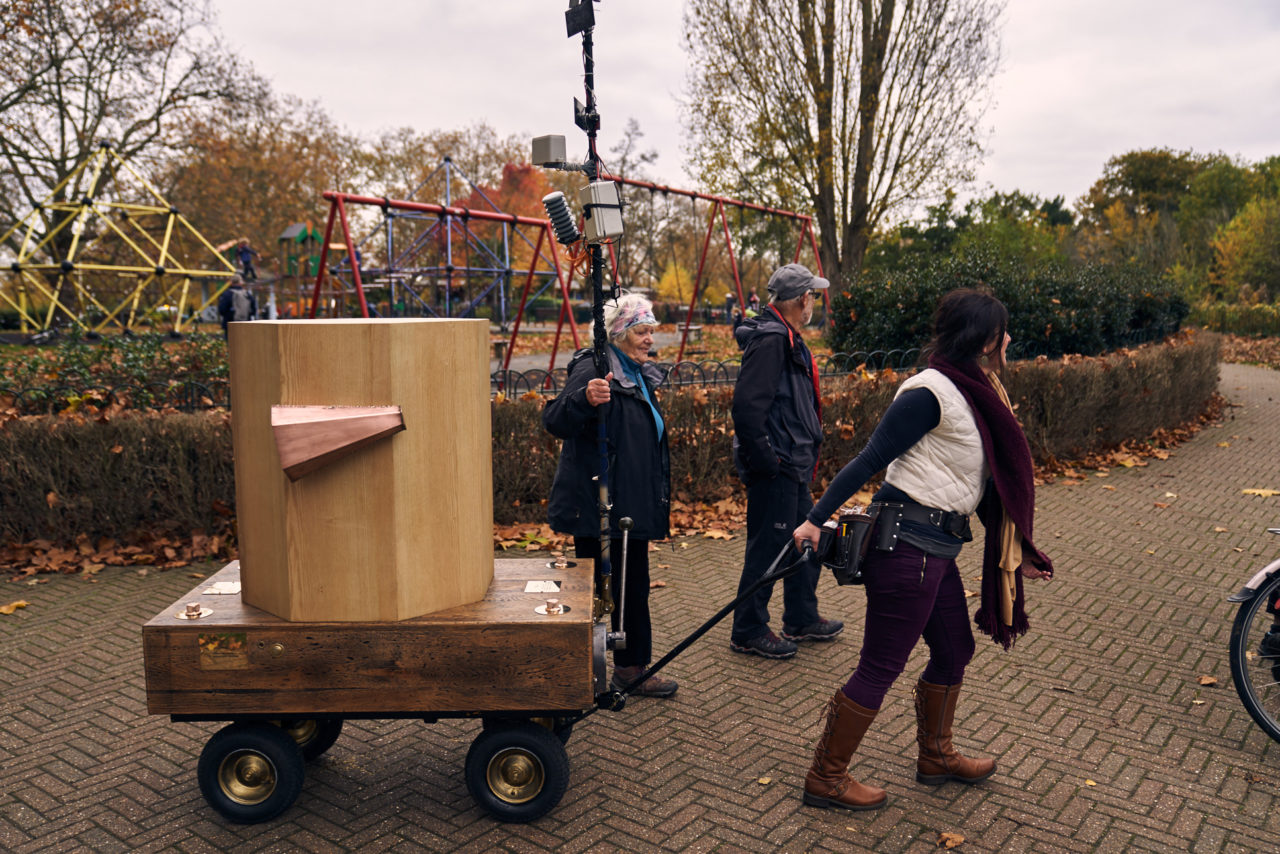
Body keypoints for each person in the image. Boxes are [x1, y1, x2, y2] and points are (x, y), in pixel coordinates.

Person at [792, 288, 1054, 811]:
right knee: (879, 666)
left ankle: (936, 755)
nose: (1009, 341)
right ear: (985, 341)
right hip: (907, 549)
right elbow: (870, 459)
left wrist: (1017, 546)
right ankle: (827, 776)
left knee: (956, 648)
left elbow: (977, 479)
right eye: (1003, 332)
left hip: (936, 548)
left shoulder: (974, 392)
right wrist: (814, 520)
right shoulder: (930, 392)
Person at [543, 293, 677, 698]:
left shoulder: (635, 373)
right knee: (602, 591)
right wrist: (584, 399)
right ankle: (600, 671)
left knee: (633, 585)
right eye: (641, 330)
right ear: (618, 333)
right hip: (600, 505)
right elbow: (555, 419)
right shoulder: (595, 367)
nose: (649, 338)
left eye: (652, 330)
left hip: (627, 504)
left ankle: (629, 667)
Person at [729, 263, 843, 659]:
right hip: (777, 466)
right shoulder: (774, 339)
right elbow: (746, 408)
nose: (814, 301)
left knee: (807, 538)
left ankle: (800, 617)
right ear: (802, 300)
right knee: (767, 549)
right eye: (812, 295)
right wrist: (766, 460)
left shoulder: (787, 336)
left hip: (792, 463)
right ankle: (747, 629)